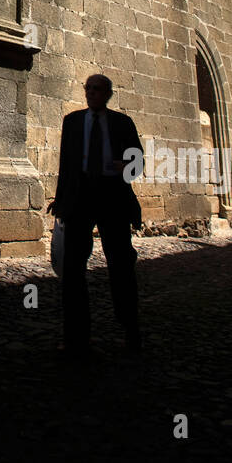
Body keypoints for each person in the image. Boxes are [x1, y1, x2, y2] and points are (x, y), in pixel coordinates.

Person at [47, 73, 144, 357]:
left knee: (121, 266)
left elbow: (138, 165)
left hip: (113, 199)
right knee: (73, 269)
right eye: (88, 88)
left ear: (108, 94)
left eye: (97, 89)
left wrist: (123, 165)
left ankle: (131, 331)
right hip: (80, 201)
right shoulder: (73, 122)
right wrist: (60, 199)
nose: (91, 93)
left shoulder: (122, 123)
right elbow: (66, 165)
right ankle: (76, 336)